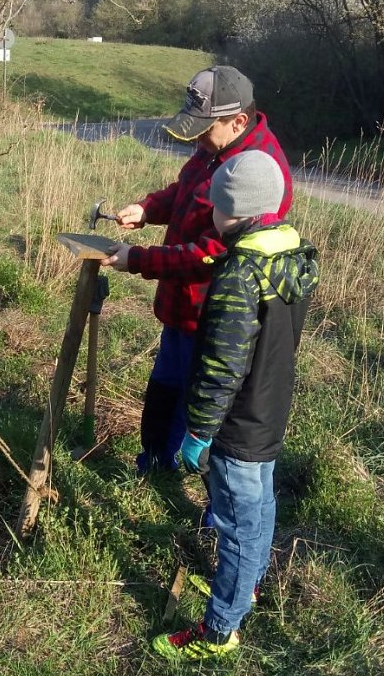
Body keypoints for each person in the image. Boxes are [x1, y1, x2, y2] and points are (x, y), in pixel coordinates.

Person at [100, 65, 292, 523]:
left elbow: (212, 252)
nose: (198, 139)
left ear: (238, 122)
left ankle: (219, 513)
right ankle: (155, 465)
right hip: (179, 307)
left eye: (205, 130)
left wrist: (139, 259)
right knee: (165, 388)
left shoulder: (258, 174)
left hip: (218, 317)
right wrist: (147, 207)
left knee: (211, 410)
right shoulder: (214, 150)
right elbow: (184, 188)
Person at [152, 150, 319, 661]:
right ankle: (245, 587)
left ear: (239, 211)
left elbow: (221, 366)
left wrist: (198, 434)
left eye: (217, 209)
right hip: (269, 412)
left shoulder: (240, 275)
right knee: (260, 510)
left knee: (236, 522)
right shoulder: (291, 257)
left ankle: (220, 630)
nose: (211, 216)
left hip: (236, 424)